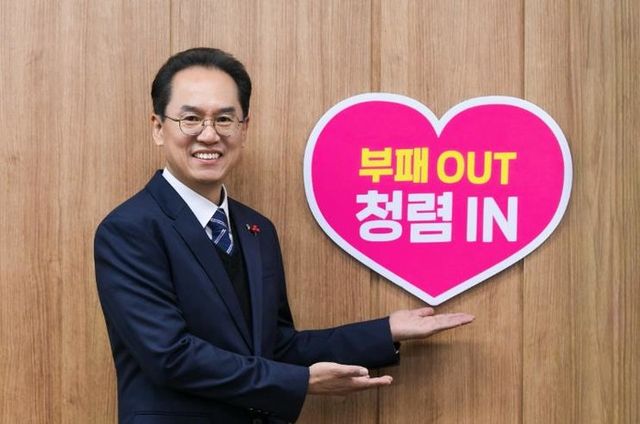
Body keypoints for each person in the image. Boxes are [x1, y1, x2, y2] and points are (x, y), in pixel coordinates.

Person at [94, 47, 474, 424]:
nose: (209, 135)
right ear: (158, 128)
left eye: (225, 119)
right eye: (190, 119)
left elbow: (276, 346)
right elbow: (170, 356)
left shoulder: (256, 229)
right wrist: (301, 383)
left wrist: (384, 331)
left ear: (244, 128)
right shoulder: (130, 229)